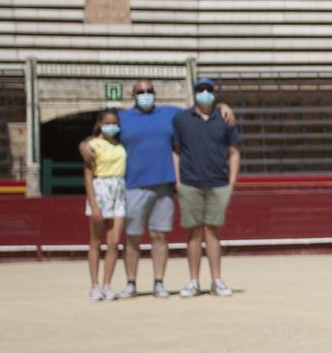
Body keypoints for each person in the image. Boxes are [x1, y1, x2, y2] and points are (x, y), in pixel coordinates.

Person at [80, 80, 236, 299]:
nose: (146, 95)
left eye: (150, 91)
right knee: (132, 237)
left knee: (160, 235)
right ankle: (131, 282)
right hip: (133, 185)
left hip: (164, 184)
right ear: (132, 94)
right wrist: (85, 143)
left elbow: (199, 112)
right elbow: (103, 133)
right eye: (141, 92)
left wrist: (222, 106)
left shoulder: (170, 114)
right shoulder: (123, 117)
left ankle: (158, 282)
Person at [171, 75, 242, 297]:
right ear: (194, 93)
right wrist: (178, 181)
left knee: (213, 233)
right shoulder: (182, 119)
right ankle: (193, 281)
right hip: (190, 183)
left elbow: (234, 151)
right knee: (193, 234)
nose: (205, 93)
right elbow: (176, 152)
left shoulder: (225, 119)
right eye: (200, 89)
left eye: (208, 89)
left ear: (214, 92)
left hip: (218, 183)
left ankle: (216, 280)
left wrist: (231, 181)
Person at [82, 109, 126, 302]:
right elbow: (88, 175)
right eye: (108, 122)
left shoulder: (119, 144)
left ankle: (107, 285)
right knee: (95, 242)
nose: (112, 126)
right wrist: (94, 204)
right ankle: (94, 285)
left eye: (115, 122)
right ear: (100, 123)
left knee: (114, 242)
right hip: (101, 189)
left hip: (119, 189)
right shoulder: (92, 145)